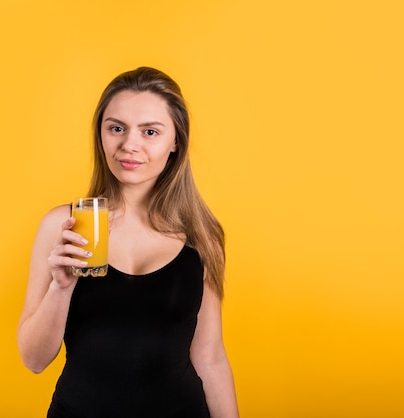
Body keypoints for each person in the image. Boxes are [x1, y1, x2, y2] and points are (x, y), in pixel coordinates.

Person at [17, 67, 239, 418]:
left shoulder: (202, 235)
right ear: (101, 135)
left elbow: (210, 358)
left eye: (150, 131)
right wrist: (60, 288)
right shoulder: (63, 225)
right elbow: (33, 360)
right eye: (116, 128)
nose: (129, 145)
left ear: (175, 141)